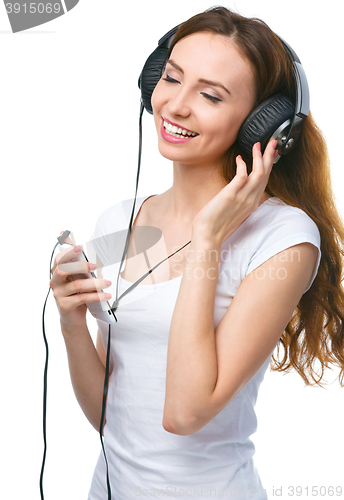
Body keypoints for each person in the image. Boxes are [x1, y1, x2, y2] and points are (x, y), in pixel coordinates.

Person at [50, 6, 344, 500]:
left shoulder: (284, 239)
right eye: (170, 78)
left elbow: (185, 413)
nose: (176, 106)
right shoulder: (122, 223)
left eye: (209, 95)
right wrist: (72, 323)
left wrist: (207, 239)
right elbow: (108, 413)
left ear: (263, 125)